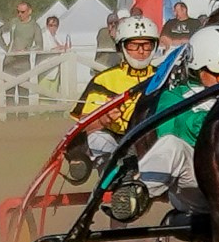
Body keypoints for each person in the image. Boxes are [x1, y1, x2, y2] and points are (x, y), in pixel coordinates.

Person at [118, 24, 219, 220]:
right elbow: (178, 129)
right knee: (172, 145)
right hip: (198, 184)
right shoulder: (175, 97)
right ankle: (135, 193)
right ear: (198, 68)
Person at [63, 14, 163, 183]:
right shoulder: (104, 80)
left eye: (147, 45)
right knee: (97, 139)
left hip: (152, 143)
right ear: (121, 47)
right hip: (114, 142)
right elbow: (82, 126)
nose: (140, 51)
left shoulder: (163, 77)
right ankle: (120, 179)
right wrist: (103, 120)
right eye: (134, 45)